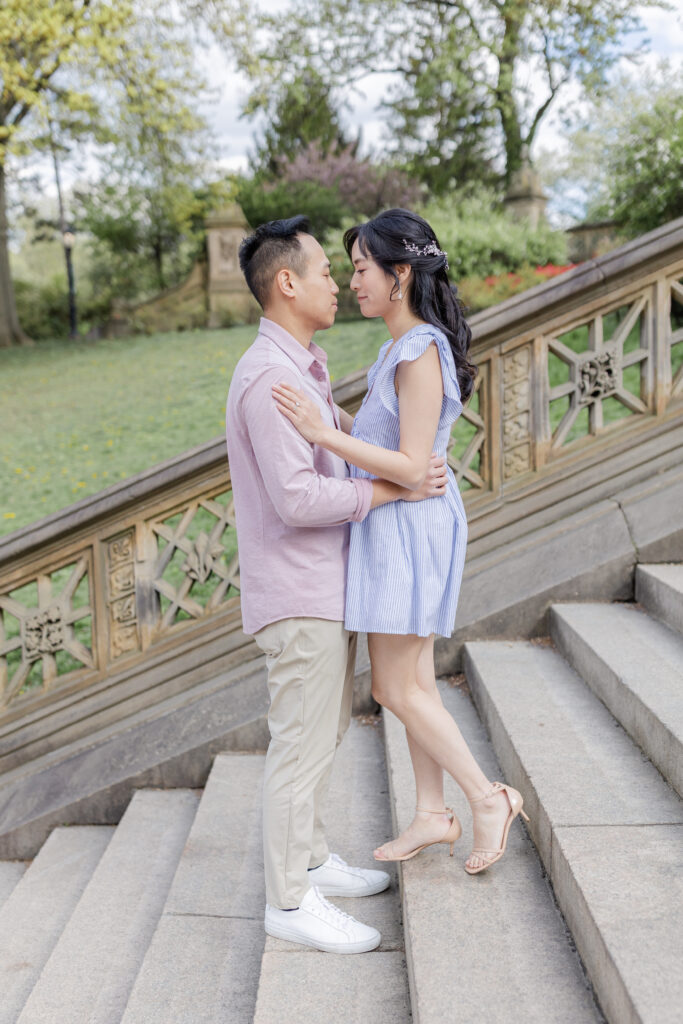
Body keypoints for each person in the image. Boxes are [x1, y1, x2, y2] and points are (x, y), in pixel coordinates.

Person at [273, 208, 529, 875]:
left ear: (401, 273)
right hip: (396, 523)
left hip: (408, 527)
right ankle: (430, 814)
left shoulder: (419, 350)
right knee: (412, 680)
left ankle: (487, 796)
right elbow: (395, 445)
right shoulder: (399, 346)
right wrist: (333, 415)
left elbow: (413, 466)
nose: (352, 281)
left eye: (361, 269)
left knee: (393, 686)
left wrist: (323, 434)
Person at [225, 214, 448, 955]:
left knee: (317, 739)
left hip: (324, 586)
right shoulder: (270, 379)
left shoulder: (304, 369)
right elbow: (296, 499)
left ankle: (313, 859)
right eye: (326, 270)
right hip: (297, 593)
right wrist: (398, 491)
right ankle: (289, 900)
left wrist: (393, 469)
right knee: (300, 743)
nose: (337, 281)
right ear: (286, 283)